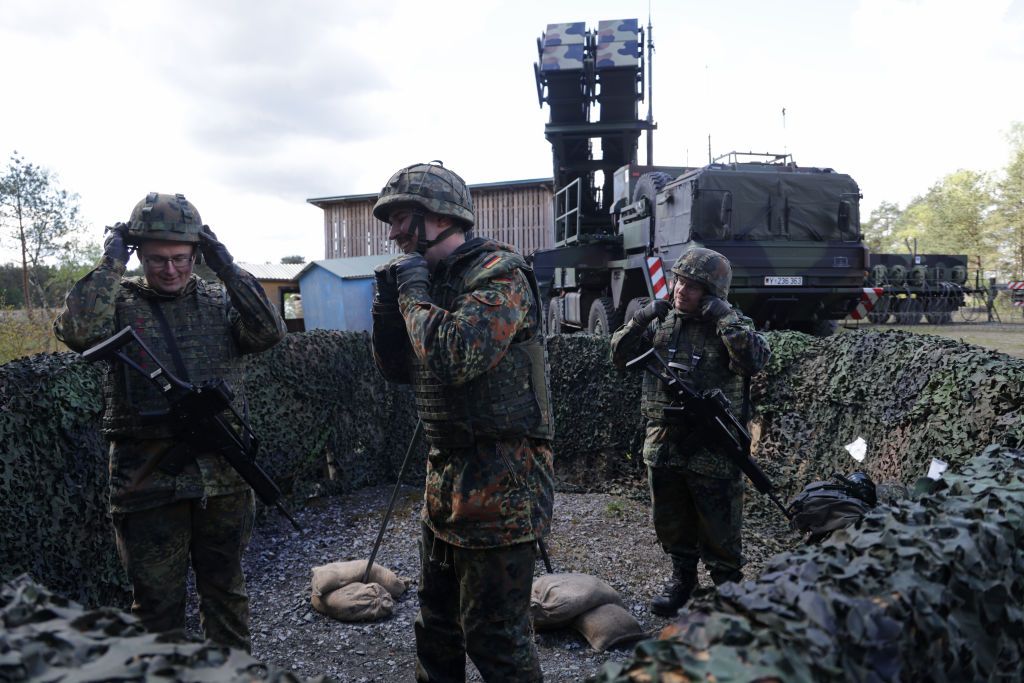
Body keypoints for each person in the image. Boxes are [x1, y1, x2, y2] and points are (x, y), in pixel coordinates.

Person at [54, 192, 286, 651]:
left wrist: (227, 266)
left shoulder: (219, 301)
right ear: (138, 255)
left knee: (225, 592)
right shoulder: (118, 303)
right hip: (148, 478)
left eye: (181, 258)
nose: (170, 270)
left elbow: (269, 331)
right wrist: (110, 263)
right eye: (157, 259)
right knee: (157, 607)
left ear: (196, 255)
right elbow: (78, 332)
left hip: (223, 475)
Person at [370, 162, 554, 682]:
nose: (395, 233)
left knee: (495, 635)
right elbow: (400, 369)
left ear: (440, 217)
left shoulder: (498, 274)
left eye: (404, 219)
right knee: (437, 626)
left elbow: (454, 354)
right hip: (445, 478)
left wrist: (411, 295)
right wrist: (389, 306)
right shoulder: (433, 281)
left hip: (504, 480)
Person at [610, 247, 770, 617]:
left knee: (720, 523)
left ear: (712, 292)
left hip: (713, 445)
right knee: (670, 518)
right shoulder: (661, 321)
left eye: (693, 285)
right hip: (663, 441)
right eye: (678, 280)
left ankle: (729, 589)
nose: (681, 290)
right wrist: (640, 318)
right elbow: (618, 356)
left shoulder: (731, 324)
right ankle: (683, 579)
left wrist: (726, 319)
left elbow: (754, 361)